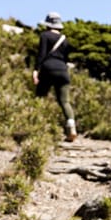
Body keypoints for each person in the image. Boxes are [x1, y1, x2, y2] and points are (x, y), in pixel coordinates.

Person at [33, 12, 78, 141]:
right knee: (64, 101)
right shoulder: (65, 39)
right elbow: (66, 59)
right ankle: (71, 125)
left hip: (48, 69)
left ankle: (37, 126)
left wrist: (36, 70)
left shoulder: (45, 36)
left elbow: (41, 54)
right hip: (63, 71)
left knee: (40, 97)